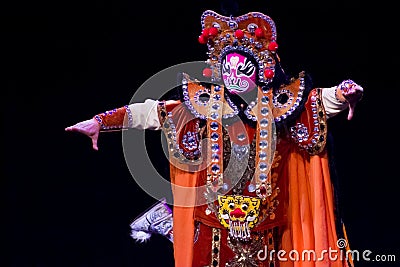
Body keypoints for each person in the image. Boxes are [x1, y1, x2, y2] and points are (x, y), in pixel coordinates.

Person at [65, 8, 363, 267]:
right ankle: (168, 214)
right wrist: (100, 122)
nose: (233, 75)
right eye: (228, 68)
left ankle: (165, 213)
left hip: (267, 226)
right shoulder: (204, 105)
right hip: (213, 224)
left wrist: (343, 93)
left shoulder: (280, 106)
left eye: (241, 68)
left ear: (260, 70)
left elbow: (319, 101)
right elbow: (152, 113)